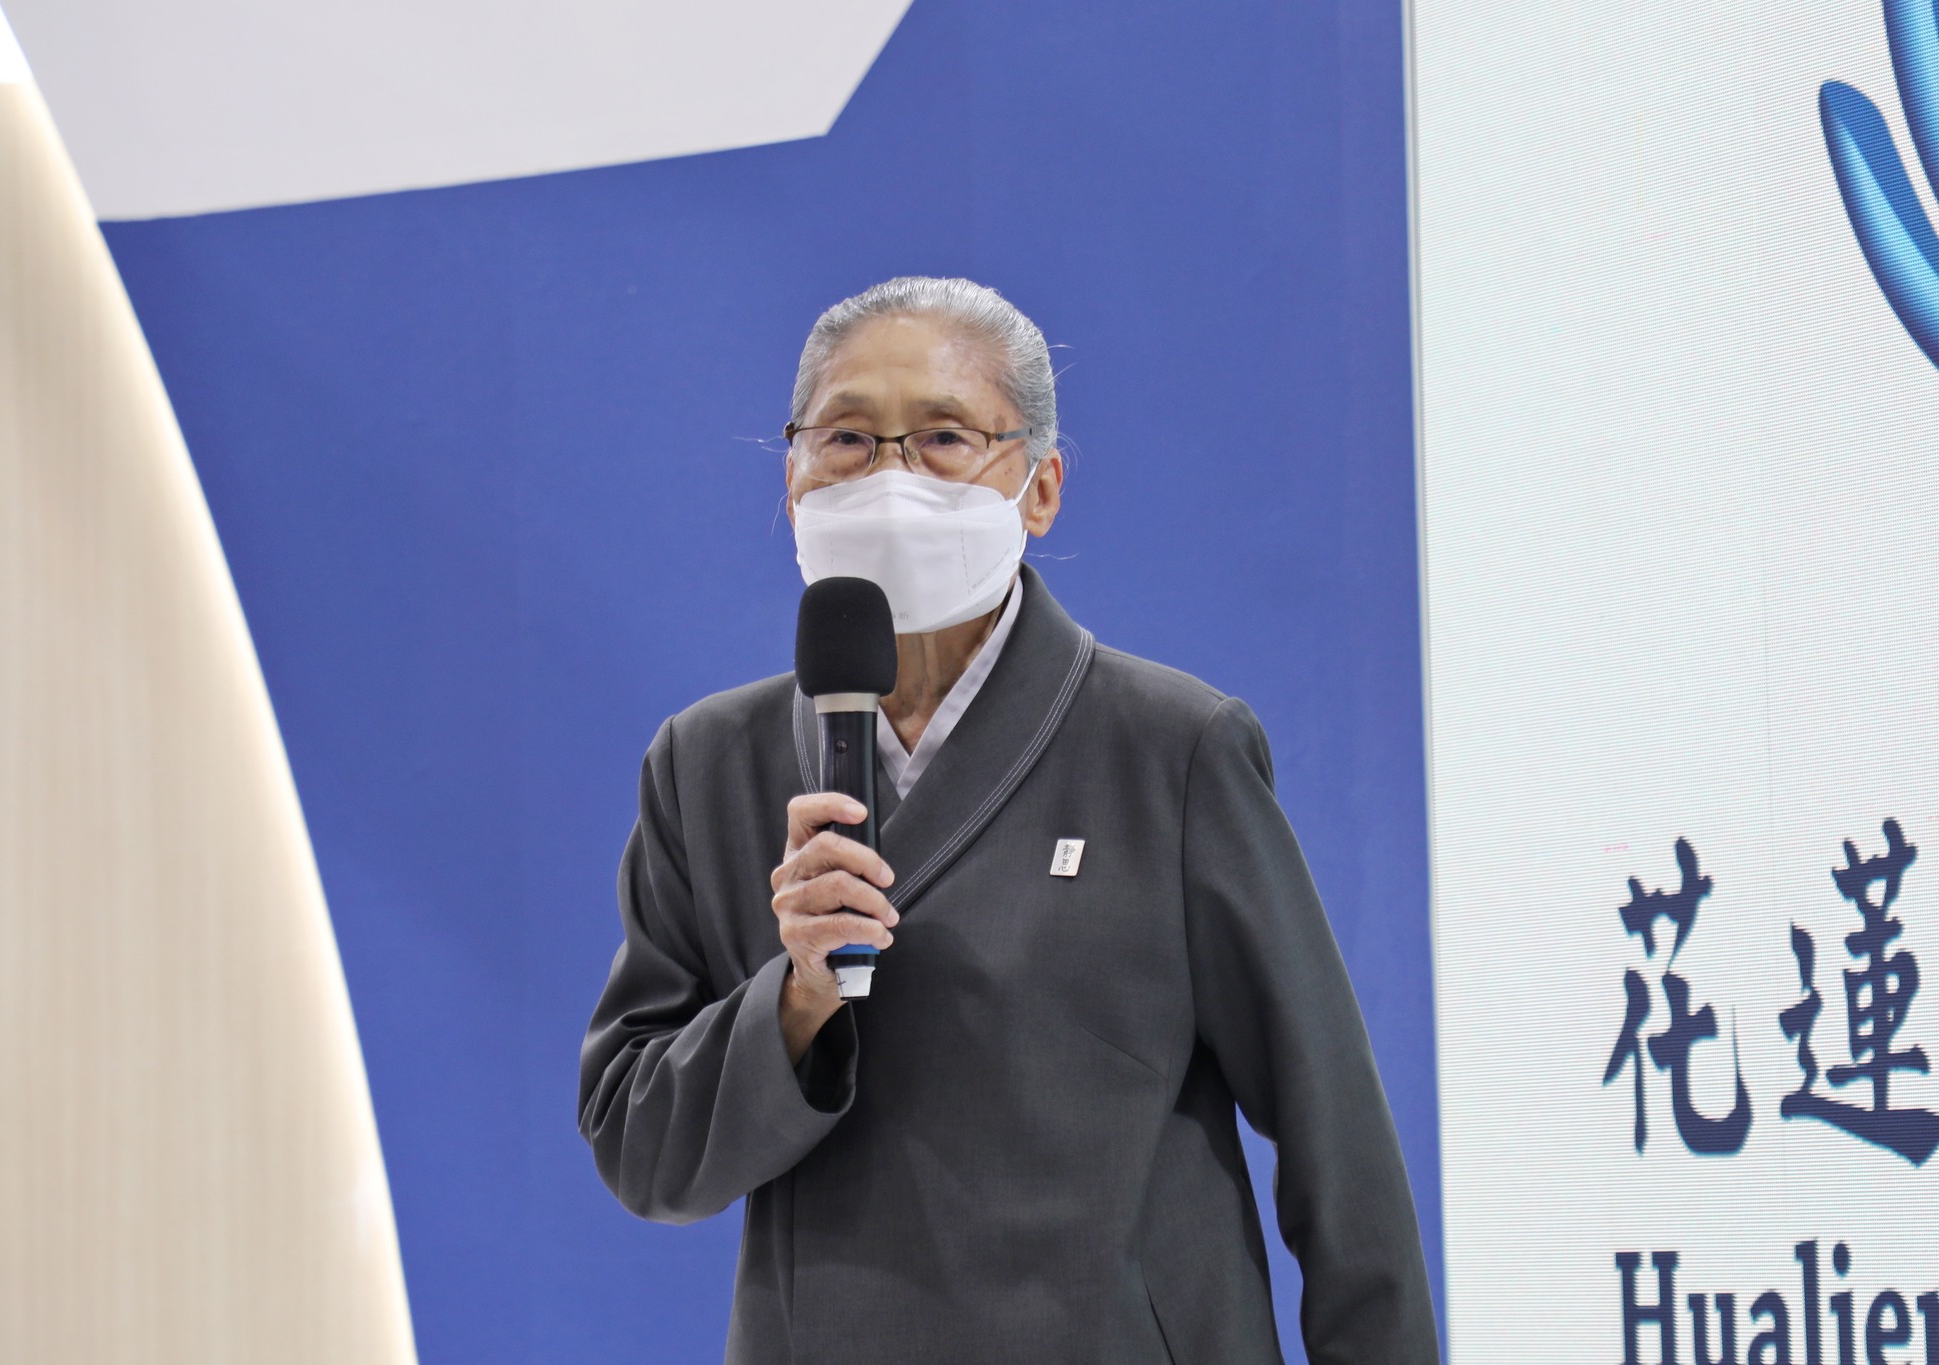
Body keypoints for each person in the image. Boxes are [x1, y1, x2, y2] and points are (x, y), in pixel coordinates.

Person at [579, 277, 1437, 1363]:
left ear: (1040, 488)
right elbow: (641, 1151)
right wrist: (795, 1000)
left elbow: (1335, 1141)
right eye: (847, 439)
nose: (889, 480)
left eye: (943, 438)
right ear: (791, 483)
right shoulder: (707, 762)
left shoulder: (1169, 748)